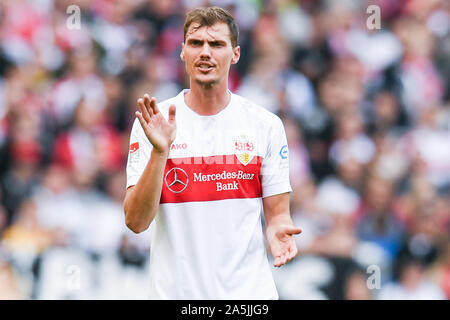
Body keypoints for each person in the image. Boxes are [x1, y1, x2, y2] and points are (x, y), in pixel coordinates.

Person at [123, 6, 302, 299]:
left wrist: (278, 232)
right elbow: (136, 222)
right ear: (182, 52)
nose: (205, 52)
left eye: (217, 44)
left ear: (235, 54)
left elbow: (279, 215)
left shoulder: (265, 125)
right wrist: (160, 152)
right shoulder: (154, 123)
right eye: (196, 43)